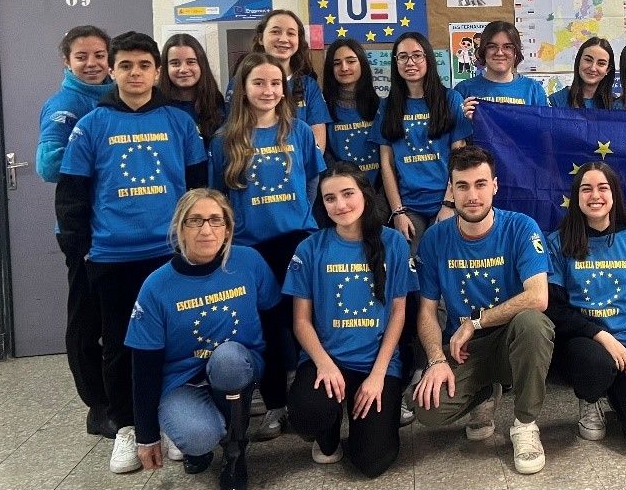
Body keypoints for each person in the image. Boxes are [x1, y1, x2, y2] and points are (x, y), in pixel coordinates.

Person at [55, 31, 208, 474]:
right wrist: (83, 251)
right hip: (112, 257)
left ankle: (168, 421)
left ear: (157, 71)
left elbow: (199, 190)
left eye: (144, 65)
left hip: (169, 256)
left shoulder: (180, 123)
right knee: (119, 346)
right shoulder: (92, 125)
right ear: (112, 71)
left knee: (177, 342)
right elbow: (72, 195)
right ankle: (127, 426)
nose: (135, 73)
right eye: (125, 66)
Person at [412, 145, 554, 475]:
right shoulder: (434, 239)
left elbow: (538, 298)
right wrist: (434, 359)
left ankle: (525, 424)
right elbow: (426, 311)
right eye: (462, 186)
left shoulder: (521, 227)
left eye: (480, 184)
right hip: (464, 350)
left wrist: (475, 322)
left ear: (495, 185)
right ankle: (484, 393)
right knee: (425, 410)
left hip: (510, 340)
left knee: (535, 323)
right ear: (451, 188)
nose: (472, 195)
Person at [124, 189, 278, 490]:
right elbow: (143, 366)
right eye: (195, 221)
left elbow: (276, 324)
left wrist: (277, 399)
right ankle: (199, 440)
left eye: (215, 221)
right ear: (180, 227)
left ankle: (235, 451)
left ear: (228, 228)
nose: (206, 230)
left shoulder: (249, 262)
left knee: (228, 359)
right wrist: (146, 435)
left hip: (237, 366)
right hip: (182, 379)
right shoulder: (156, 286)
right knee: (197, 438)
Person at [210, 52, 326, 441]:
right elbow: (217, 195)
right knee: (270, 327)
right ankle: (276, 404)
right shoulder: (225, 139)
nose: (268, 90)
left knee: (306, 322)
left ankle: (313, 400)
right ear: (243, 88)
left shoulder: (300, 131)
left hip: (297, 241)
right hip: (250, 247)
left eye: (275, 83)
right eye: (259, 83)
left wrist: (299, 216)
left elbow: (313, 181)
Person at [285, 164, 411, 475]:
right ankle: (327, 435)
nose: (340, 205)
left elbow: (398, 312)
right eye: (330, 198)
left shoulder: (393, 242)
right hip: (328, 360)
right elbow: (301, 321)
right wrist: (325, 364)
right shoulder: (310, 248)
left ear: (365, 195)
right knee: (306, 415)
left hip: (376, 364)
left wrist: (379, 374)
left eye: (347, 194)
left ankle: (361, 419)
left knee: (372, 462)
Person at [548, 163, 626, 453]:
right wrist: (600, 336)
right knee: (597, 364)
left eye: (603, 188)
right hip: (583, 345)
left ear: (614, 195)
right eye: (586, 189)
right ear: (577, 197)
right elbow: (554, 309)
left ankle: (615, 391)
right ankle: (590, 398)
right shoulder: (558, 242)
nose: (595, 195)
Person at [37, 24, 115, 438]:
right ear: (67, 61)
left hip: (120, 228)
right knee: (87, 320)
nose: (92, 64)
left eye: (99, 55)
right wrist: (101, 148)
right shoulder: (63, 105)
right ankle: (98, 406)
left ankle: (126, 395)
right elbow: (49, 166)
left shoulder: (119, 95)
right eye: (82, 57)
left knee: (120, 320)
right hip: (82, 229)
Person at [368, 32, 471, 247]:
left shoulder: (450, 99)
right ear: (395, 62)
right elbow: (386, 164)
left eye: (417, 55)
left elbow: (459, 157)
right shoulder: (387, 106)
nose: (410, 62)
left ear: (428, 59)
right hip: (409, 206)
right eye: (403, 57)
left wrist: (449, 203)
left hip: (446, 202)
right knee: (411, 265)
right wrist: (398, 212)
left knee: (445, 265)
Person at [228, 9, 331, 152]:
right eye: (275, 32)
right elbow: (232, 130)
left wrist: (298, 171)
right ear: (260, 38)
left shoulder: (309, 85)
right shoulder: (238, 82)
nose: (283, 39)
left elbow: (317, 144)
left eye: (291, 33)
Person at [320, 38, 381, 183]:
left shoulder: (381, 106)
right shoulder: (322, 109)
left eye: (351, 61)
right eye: (337, 63)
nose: (344, 67)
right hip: (341, 192)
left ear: (362, 64)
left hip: (380, 194)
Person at [457, 20, 548, 116]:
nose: (499, 53)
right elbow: (456, 129)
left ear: (516, 52)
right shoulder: (463, 89)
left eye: (507, 47)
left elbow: (545, 129)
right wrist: (465, 119)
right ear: (483, 50)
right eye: (492, 46)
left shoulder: (533, 89)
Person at [160, 33, 226, 143]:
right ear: (165, 68)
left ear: (201, 65)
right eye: (175, 63)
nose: (183, 69)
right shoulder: (157, 104)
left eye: (191, 62)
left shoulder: (215, 99)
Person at [549, 37, 616, 109]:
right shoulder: (555, 101)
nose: (593, 68)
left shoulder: (615, 105)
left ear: (608, 70)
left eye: (601, 63)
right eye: (588, 60)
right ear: (578, 62)